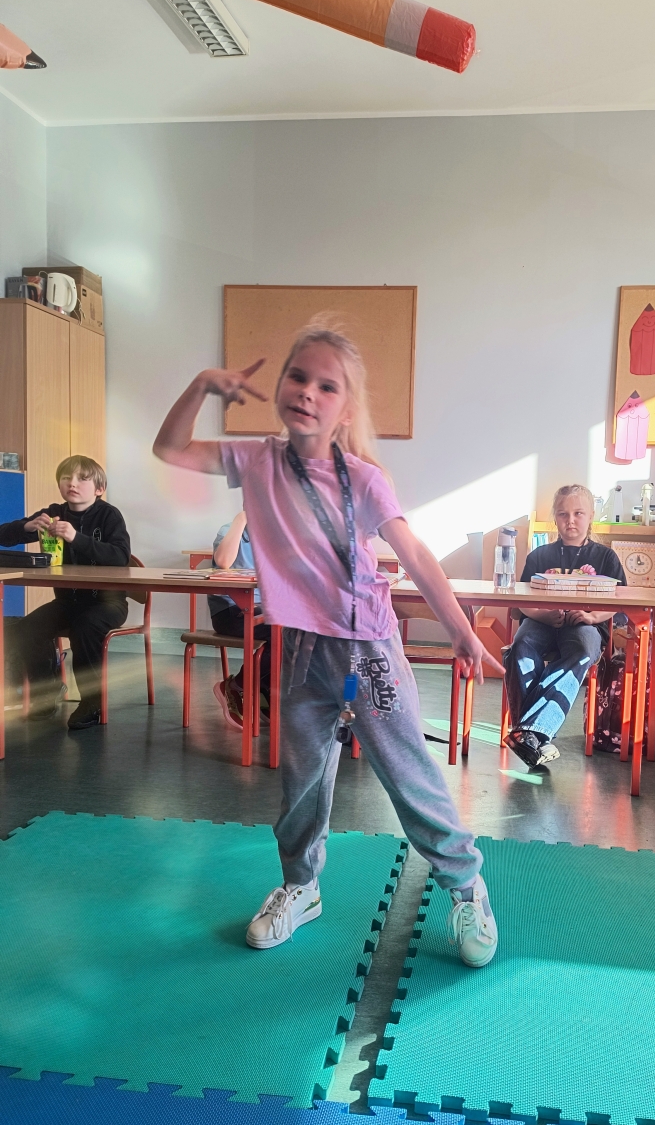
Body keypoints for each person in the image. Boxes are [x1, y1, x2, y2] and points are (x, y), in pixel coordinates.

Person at [153, 324, 503, 968]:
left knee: (408, 776)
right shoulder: (256, 461)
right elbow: (169, 447)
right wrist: (203, 384)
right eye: (298, 377)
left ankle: (466, 886)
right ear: (280, 386)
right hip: (300, 650)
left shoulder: (363, 480)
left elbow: (414, 551)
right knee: (302, 782)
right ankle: (301, 886)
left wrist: (459, 629)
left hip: (367, 651)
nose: (308, 392)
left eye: (326, 386)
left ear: (345, 409)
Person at [0, 455, 131, 730]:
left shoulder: (109, 515)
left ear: (99, 488)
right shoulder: (54, 512)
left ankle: (92, 703)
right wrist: (26, 527)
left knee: (85, 628)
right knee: (25, 630)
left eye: (82, 479)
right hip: (68, 602)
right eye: (66, 478)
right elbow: (4, 535)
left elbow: (120, 557)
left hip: (107, 604)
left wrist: (75, 538)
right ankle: (47, 691)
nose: (72, 483)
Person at [503, 484, 626, 768]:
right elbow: (521, 601)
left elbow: (619, 601)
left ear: (591, 516)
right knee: (520, 648)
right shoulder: (539, 555)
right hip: (541, 621)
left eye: (578, 513)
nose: (570, 520)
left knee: (582, 651)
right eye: (563, 514)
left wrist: (591, 616)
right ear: (555, 518)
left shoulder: (606, 557)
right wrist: (544, 615)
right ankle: (536, 736)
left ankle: (528, 732)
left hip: (585, 625)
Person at [208, 510, 270, 729]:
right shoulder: (229, 530)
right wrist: (241, 519)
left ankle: (263, 687)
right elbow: (223, 561)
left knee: (301, 632)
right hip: (231, 611)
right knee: (285, 631)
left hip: (264, 610)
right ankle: (237, 686)